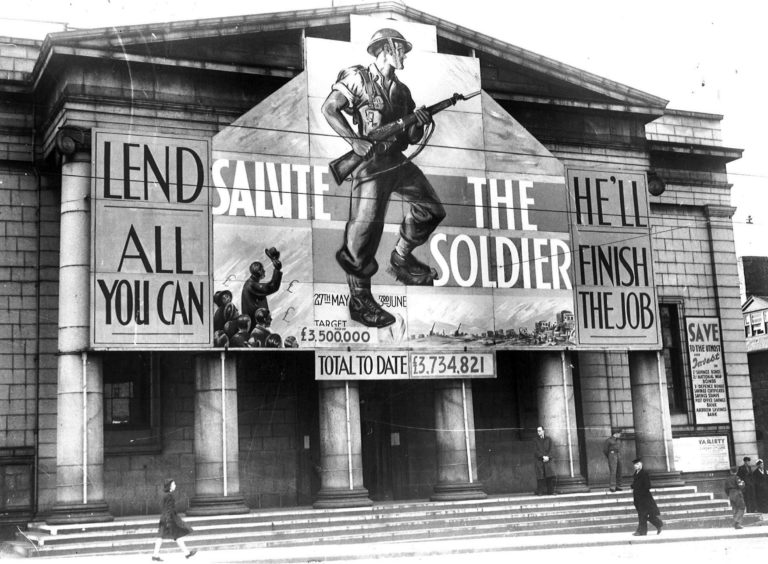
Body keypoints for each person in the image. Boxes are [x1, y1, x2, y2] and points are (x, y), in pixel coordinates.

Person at [322, 28, 445, 328]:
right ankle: (360, 300)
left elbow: (411, 136)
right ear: (386, 49)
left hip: (396, 161)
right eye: (401, 49)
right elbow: (329, 108)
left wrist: (420, 123)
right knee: (364, 231)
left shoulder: (401, 92)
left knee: (432, 208)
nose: (404, 55)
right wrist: (353, 141)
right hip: (369, 162)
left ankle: (401, 257)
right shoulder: (358, 78)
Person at [151, 479, 196, 561]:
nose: (175, 485)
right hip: (169, 519)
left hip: (166, 518)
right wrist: (169, 520)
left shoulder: (165, 495)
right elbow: (169, 509)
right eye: (174, 484)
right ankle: (155, 555)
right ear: (170, 486)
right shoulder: (169, 496)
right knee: (164, 536)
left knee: (173, 535)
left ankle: (186, 553)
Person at [631, 458, 663, 536]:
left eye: (638, 464)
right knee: (644, 515)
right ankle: (658, 524)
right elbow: (635, 484)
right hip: (638, 498)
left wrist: (637, 487)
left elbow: (648, 486)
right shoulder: (636, 474)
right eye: (635, 464)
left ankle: (641, 531)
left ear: (641, 464)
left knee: (643, 515)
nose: (636, 466)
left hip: (644, 498)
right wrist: (633, 486)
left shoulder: (644, 473)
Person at [533, 426, 556, 495]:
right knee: (540, 476)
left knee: (550, 476)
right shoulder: (535, 440)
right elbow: (535, 451)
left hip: (548, 461)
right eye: (537, 431)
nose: (538, 432)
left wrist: (548, 457)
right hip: (539, 460)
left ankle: (550, 492)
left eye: (540, 431)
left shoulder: (549, 439)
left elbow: (551, 449)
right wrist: (542, 457)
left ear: (543, 431)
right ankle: (540, 492)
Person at [602, 428, 624, 492]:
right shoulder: (609, 440)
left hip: (618, 455)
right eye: (619, 433)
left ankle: (618, 486)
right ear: (616, 433)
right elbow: (605, 450)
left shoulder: (618, 440)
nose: (620, 434)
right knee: (613, 471)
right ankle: (612, 487)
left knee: (619, 470)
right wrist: (609, 456)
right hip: (612, 455)